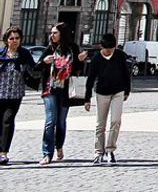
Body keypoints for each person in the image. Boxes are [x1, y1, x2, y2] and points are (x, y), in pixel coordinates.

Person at [37, 22, 81, 165]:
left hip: (65, 90)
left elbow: (78, 71)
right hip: (49, 88)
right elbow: (37, 66)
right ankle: (47, 154)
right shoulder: (49, 49)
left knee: (61, 122)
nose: (52, 35)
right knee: (50, 121)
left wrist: (80, 61)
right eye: (51, 32)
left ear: (62, 34)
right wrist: (44, 61)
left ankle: (59, 146)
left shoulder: (72, 49)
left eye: (55, 32)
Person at [83, 33, 130, 164]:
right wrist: (87, 99)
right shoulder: (97, 58)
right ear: (101, 47)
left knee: (116, 121)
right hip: (102, 92)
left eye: (111, 49)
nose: (109, 52)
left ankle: (110, 149)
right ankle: (98, 152)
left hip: (118, 92)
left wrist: (127, 90)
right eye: (107, 50)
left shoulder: (120, 56)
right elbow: (90, 78)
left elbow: (126, 74)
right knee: (100, 124)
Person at [0, 26, 36, 165]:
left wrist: (44, 64)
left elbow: (33, 72)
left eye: (17, 38)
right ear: (6, 40)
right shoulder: (1, 54)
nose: (14, 41)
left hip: (15, 95)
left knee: (7, 121)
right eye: (11, 38)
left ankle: (3, 153)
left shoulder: (24, 54)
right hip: (0, 93)